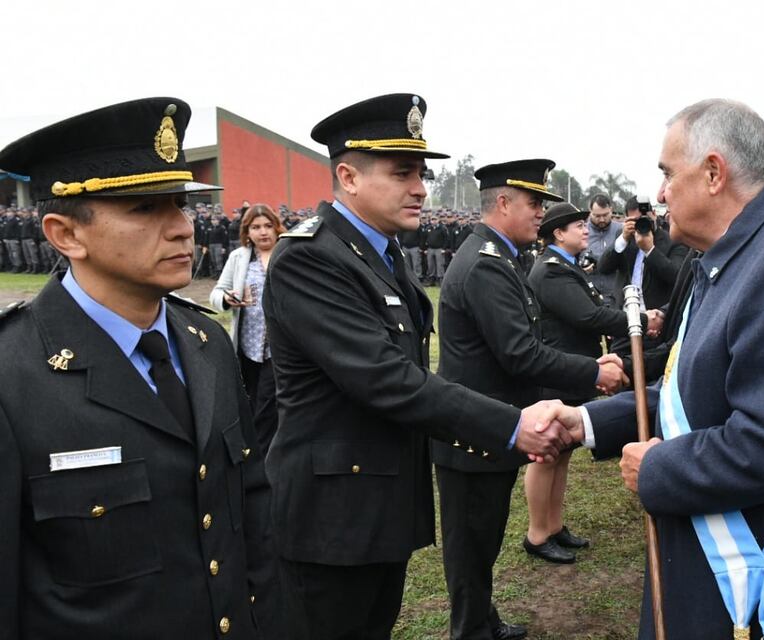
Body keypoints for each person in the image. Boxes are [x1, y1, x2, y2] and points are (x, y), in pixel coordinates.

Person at [558, 99, 764, 639]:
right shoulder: (739, 253)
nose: (661, 193)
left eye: (667, 174)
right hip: (731, 573)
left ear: (713, 173)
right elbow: (694, 394)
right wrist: (587, 422)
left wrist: (658, 470)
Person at [261, 94, 575, 640]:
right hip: (333, 518)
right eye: (402, 172)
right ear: (347, 177)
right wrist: (510, 425)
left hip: (378, 503)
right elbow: (388, 380)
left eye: (422, 174)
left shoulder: (381, 254)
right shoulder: (311, 257)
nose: (420, 188)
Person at [0, 97, 284, 639]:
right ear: (66, 234)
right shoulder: (13, 375)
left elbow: (249, 512)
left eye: (179, 204)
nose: (182, 228)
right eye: (144, 208)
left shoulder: (205, 343)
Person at [434, 158, 627, 640]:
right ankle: (472, 629)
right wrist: (592, 371)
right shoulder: (485, 265)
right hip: (474, 432)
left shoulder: (500, 257)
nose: (542, 212)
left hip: (488, 426)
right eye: (534, 202)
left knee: (482, 542)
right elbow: (520, 353)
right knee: (471, 546)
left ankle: (482, 621)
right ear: (503, 203)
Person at [524, 202, 658, 564]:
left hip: (573, 367)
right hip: (557, 370)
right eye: (577, 226)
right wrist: (640, 321)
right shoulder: (551, 271)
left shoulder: (566, 266)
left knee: (562, 451)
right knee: (545, 454)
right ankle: (537, 533)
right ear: (557, 234)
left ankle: (554, 525)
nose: (586, 230)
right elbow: (588, 316)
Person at [210, 203, 284, 457]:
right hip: (249, 346)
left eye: (267, 226)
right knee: (250, 400)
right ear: (247, 231)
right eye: (256, 227)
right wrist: (227, 298)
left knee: (266, 404)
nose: (263, 232)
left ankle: (259, 459)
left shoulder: (289, 253)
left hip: (280, 345)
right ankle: (250, 450)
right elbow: (216, 292)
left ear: (276, 227)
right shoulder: (239, 257)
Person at [597, 195, 687, 310]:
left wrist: (650, 250)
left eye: (645, 219)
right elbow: (603, 268)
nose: (642, 223)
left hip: (655, 314)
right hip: (623, 311)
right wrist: (623, 240)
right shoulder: (624, 236)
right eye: (635, 221)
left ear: (654, 214)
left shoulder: (672, 240)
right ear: (627, 220)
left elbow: (677, 277)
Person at [584, 193, 622, 306]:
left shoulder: (622, 231)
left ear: (611, 209)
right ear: (590, 211)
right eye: (597, 216)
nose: (601, 219)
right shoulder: (581, 231)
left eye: (605, 215)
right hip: (589, 296)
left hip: (616, 296)